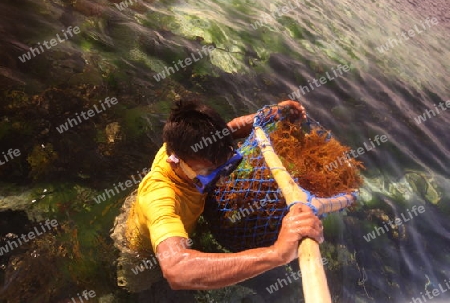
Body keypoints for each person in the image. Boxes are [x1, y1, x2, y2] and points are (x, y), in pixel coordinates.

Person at [111, 99, 338, 302]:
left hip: (176, 222)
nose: (221, 180)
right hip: (142, 252)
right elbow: (176, 269)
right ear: (174, 161)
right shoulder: (160, 199)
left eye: (228, 166)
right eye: (210, 172)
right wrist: (277, 253)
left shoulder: (189, 147)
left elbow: (233, 128)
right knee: (138, 287)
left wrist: (275, 113)